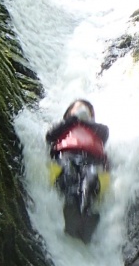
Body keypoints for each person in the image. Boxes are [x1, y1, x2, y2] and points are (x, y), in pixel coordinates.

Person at [46, 99, 109, 237]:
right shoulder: (64, 126)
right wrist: (72, 120)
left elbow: (105, 133)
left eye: (88, 110)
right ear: (69, 113)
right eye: (79, 107)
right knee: (68, 173)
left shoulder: (97, 129)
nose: (84, 110)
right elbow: (50, 136)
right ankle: (71, 205)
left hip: (92, 160)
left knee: (91, 179)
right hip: (67, 156)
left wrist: (85, 121)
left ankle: (87, 213)